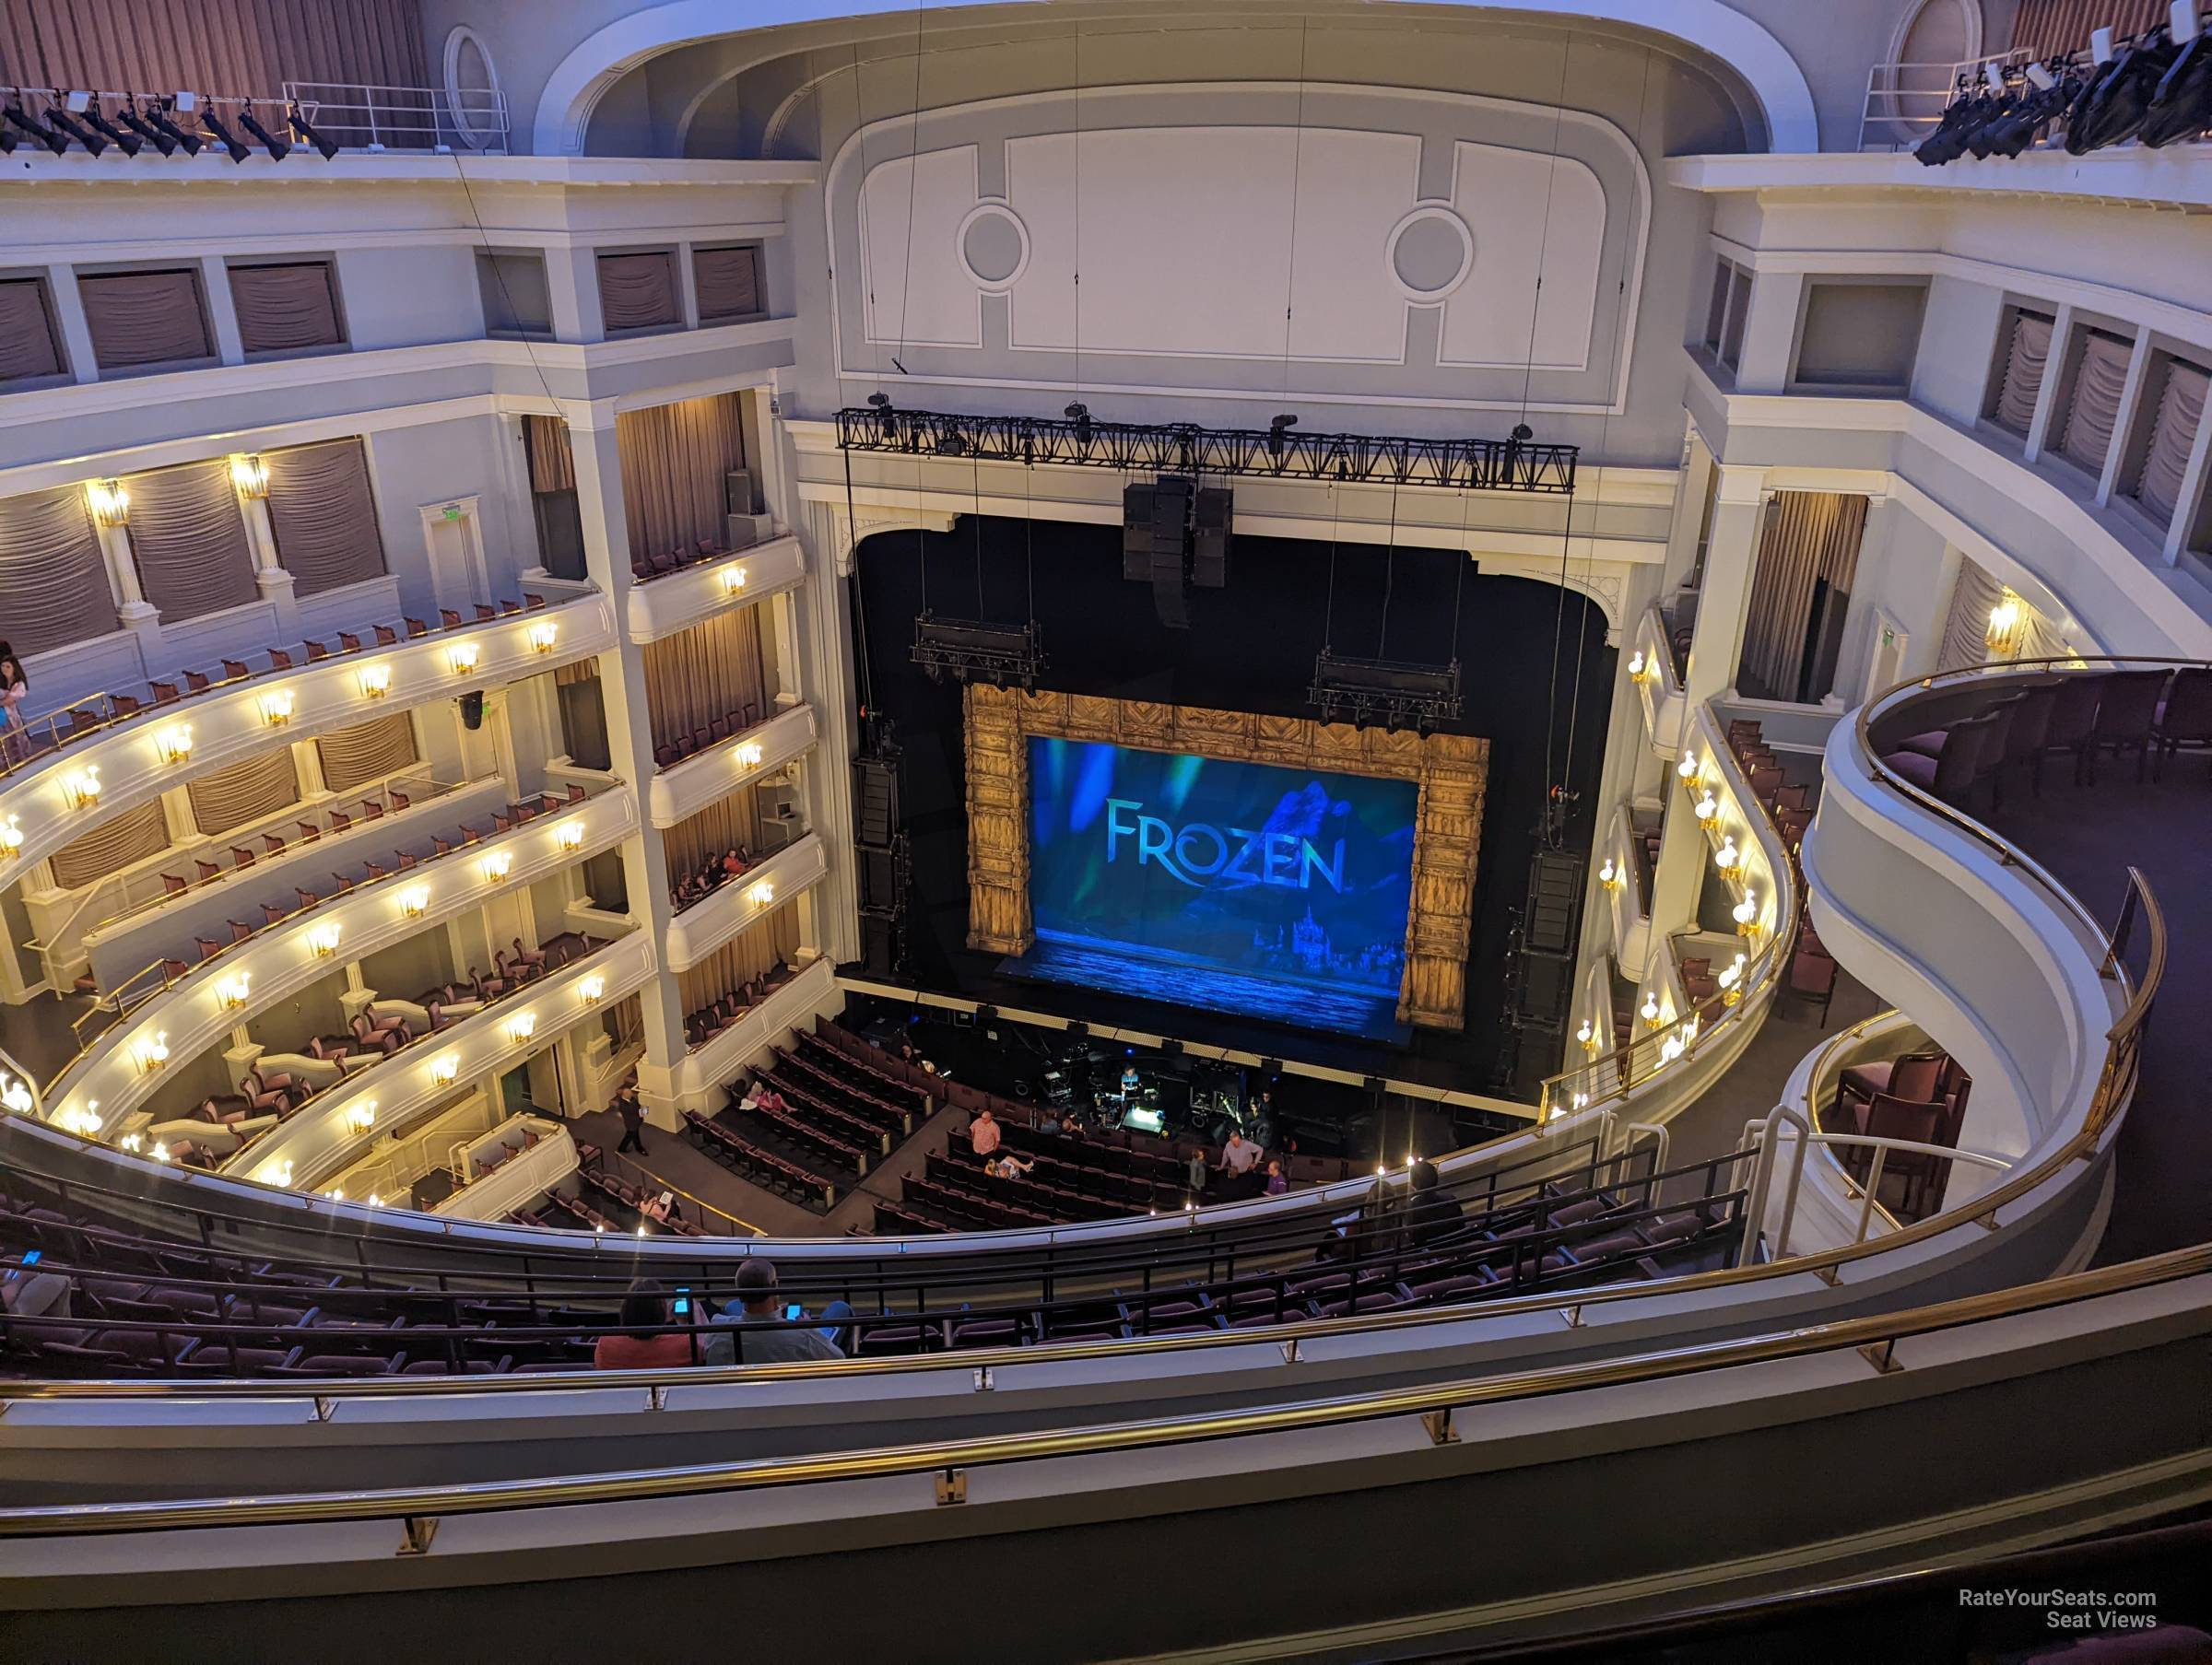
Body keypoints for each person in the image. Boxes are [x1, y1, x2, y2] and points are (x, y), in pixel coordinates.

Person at [701, 1259, 852, 1365]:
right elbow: (839, 1358)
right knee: (840, 1308)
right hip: (793, 1391)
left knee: (733, 1306)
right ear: (775, 1286)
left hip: (739, 1393)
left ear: (740, 1292)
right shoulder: (804, 1336)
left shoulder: (717, 1330)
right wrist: (809, 1328)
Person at [593, 1281, 695, 1369]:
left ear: (625, 1310)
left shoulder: (606, 1344)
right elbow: (700, 1356)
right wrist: (682, 1323)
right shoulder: (685, 1346)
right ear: (661, 1311)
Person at [1406, 1159, 1465, 1246]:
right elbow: (1461, 1227)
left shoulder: (1413, 1207)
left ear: (1413, 1184)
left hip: (1433, 1253)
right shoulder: (1451, 1199)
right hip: (1455, 1246)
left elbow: (1414, 1238)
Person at [615, 1085, 647, 1155]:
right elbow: (632, 1111)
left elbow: (637, 1106)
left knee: (630, 1135)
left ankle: (622, 1148)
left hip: (636, 1122)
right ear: (625, 1095)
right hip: (631, 1123)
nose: (631, 1095)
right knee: (633, 1135)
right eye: (630, 1094)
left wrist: (642, 1110)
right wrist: (642, 1111)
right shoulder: (623, 1105)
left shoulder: (632, 1099)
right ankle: (639, 1148)